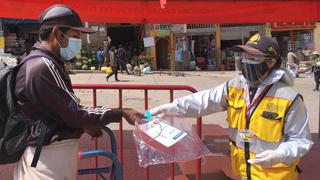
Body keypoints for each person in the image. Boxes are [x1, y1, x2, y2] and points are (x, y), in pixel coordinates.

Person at [149, 34, 313, 180]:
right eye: (244, 55)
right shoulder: (235, 87)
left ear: (270, 62)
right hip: (243, 170)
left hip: (274, 174)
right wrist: (173, 107)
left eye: (252, 57)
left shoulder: (288, 98)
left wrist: (280, 155)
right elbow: (204, 100)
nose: (245, 61)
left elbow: (300, 140)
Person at [13, 4, 143, 180]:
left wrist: (84, 124)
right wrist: (121, 112)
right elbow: (73, 113)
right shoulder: (43, 65)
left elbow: (57, 110)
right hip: (46, 162)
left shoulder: (45, 62)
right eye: (75, 36)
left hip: (49, 158)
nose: (78, 43)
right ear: (58, 33)